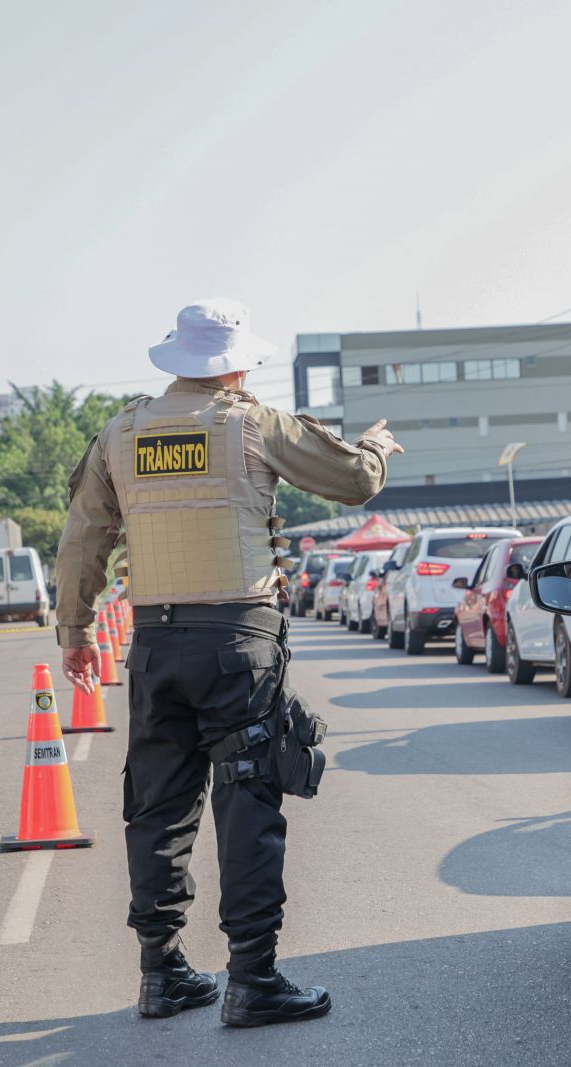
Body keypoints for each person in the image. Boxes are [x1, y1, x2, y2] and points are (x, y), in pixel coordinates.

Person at [54, 298, 402, 1027]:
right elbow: (353, 482)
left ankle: (161, 972)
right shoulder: (252, 424)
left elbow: (84, 534)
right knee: (247, 798)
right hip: (238, 641)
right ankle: (252, 977)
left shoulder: (121, 434)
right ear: (234, 363)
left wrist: (75, 630)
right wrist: (373, 447)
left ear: (177, 361)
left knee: (157, 805)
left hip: (154, 642)